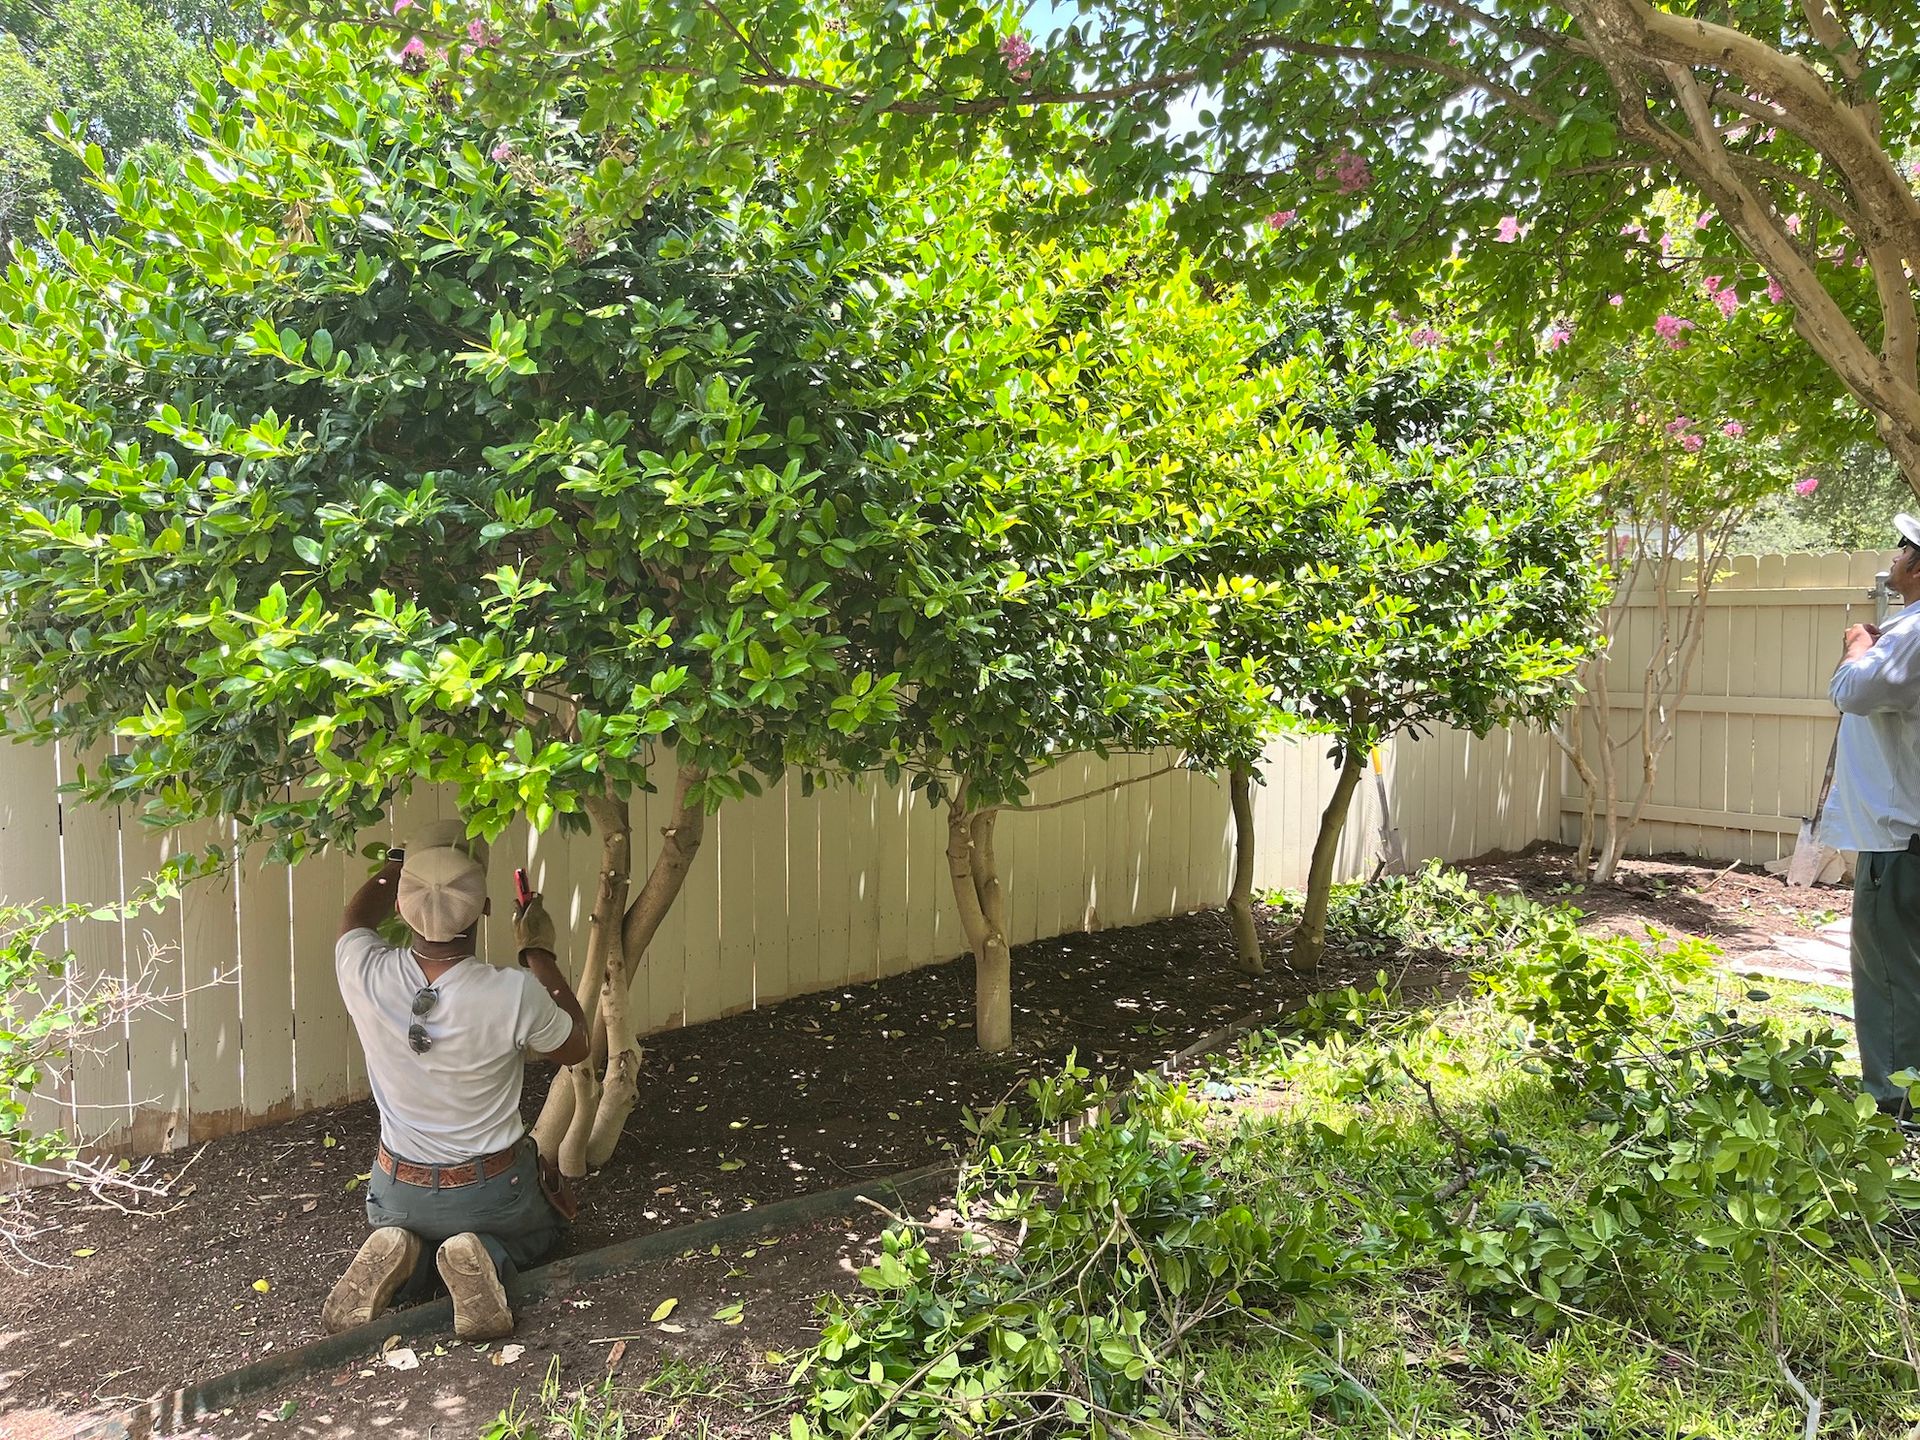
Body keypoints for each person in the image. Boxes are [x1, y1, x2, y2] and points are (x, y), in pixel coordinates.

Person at [320, 819, 588, 1339]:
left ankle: (401, 1249)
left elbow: (355, 917)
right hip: (490, 1191)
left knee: (412, 1236)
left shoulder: (363, 971)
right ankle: (483, 1251)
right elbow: (576, 1044)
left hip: (398, 1187)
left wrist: (405, 862)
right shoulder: (514, 992)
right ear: (485, 909)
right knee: (541, 1232)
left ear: (401, 907)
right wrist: (539, 952)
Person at [1823, 512, 1920, 1118]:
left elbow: (1854, 694)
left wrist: (1857, 646)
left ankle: (1895, 1111)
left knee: (1888, 976)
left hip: (1897, 837)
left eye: (1906, 546)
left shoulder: (1911, 633)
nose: (1896, 553)